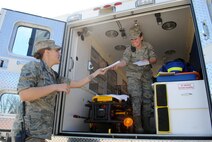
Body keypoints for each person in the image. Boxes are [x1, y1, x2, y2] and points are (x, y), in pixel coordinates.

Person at [11, 39, 107, 142]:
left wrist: (96, 73)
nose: (59, 53)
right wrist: (55, 87)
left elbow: (78, 83)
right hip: (27, 133)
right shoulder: (33, 66)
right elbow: (24, 94)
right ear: (47, 52)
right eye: (57, 50)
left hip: (41, 134)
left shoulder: (54, 76)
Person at [112, 26, 157, 133]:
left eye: (136, 38)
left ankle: (146, 125)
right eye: (131, 39)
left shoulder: (148, 46)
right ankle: (138, 127)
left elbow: (154, 59)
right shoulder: (129, 49)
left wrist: (148, 61)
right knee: (136, 98)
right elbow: (125, 60)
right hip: (133, 75)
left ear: (141, 37)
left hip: (146, 75)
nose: (133, 41)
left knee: (147, 99)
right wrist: (119, 65)